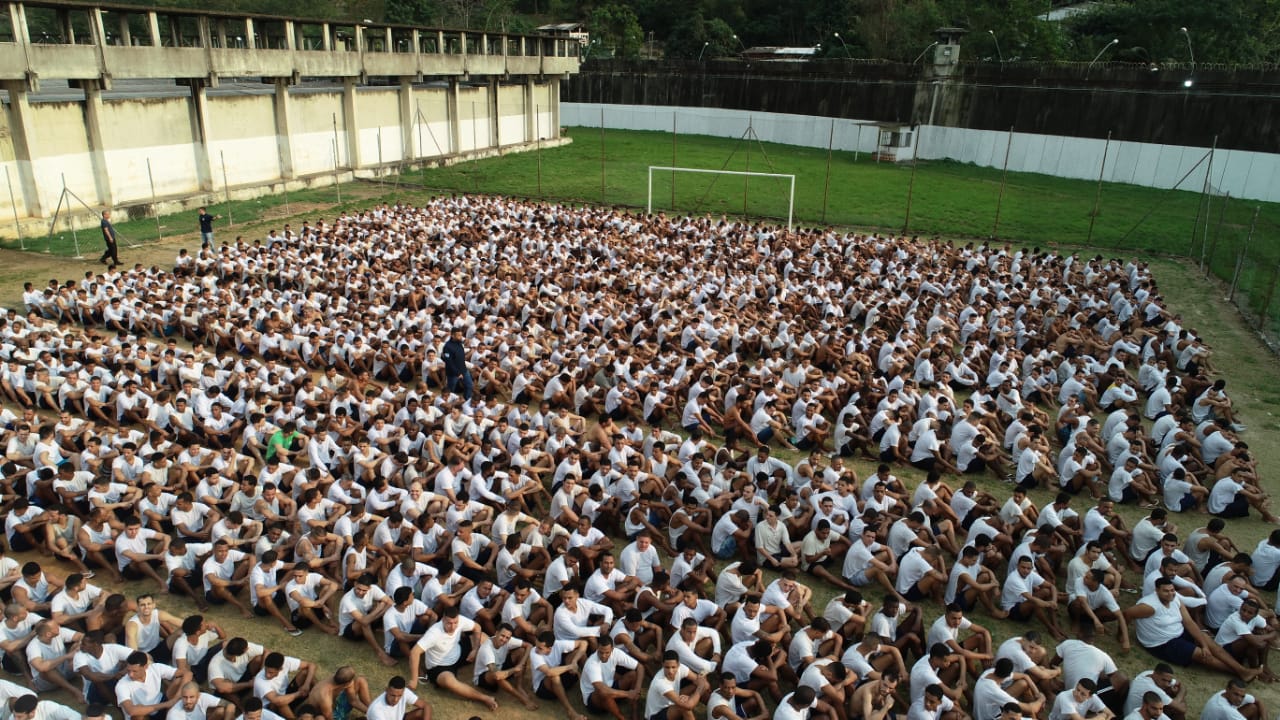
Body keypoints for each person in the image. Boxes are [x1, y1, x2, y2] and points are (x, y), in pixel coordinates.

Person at [364, 676, 431, 720]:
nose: (396, 700)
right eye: (393, 695)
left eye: (399, 696)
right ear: (386, 690)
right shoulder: (376, 710)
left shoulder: (405, 692)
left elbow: (426, 706)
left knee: (422, 712)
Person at [1201, 678, 1267, 720]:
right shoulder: (1226, 709)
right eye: (1236, 694)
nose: (1239, 699)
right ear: (1227, 689)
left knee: (1253, 708)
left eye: (1242, 696)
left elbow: (1258, 701)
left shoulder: (1224, 693)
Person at [441, 328, 473, 401]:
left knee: (469, 385)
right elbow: (449, 362)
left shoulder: (459, 343)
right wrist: (457, 373)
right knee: (451, 390)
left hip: (464, 370)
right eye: (458, 335)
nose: (460, 337)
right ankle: (448, 402)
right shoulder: (447, 346)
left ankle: (466, 400)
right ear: (452, 335)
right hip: (453, 373)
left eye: (461, 335)